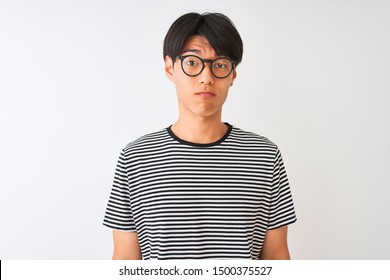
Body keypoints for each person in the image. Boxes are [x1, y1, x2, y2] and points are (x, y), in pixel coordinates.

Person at [103, 12, 297, 260]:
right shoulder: (136, 158)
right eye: (192, 62)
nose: (207, 78)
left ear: (233, 74)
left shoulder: (265, 156)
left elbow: (277, 259)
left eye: (220, 64)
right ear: (169, 67)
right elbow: (125, 263)